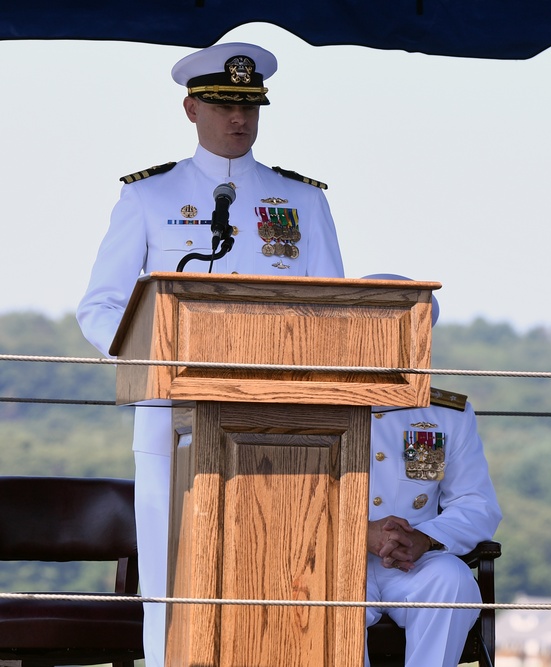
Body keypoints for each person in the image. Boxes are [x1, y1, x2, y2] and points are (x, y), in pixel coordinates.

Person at [76, 42, 345, 667]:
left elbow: (334, 312)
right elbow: (99, 308)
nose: (239, 119)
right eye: (224, 105)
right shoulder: (149, 197)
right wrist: (157, 359)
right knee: (171, 576)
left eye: (250, 106)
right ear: (191, 109)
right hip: (172, 414)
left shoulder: (303, 201)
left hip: (277, 421)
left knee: (275, 567)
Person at [362, 274, 502, 667]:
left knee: (453, 581)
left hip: (413, 560)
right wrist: (362, 533)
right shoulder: (314, 406)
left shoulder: (446, 415)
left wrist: (425, 537)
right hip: (340, 556)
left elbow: (477, 505)